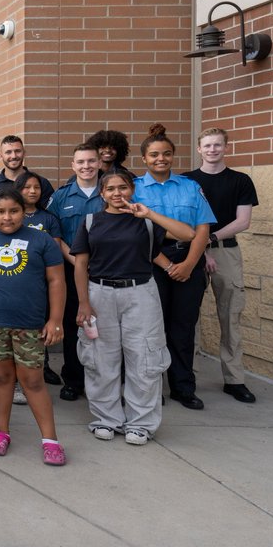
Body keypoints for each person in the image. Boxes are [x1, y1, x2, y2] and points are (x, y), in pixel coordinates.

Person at [72, 170, 196, 444]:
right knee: (101, 358)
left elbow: (187, 234)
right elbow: (81, 264)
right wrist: (83, 303)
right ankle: (107, 418)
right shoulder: (91, 221)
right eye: (111, 189)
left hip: (140, 293)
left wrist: (149, 214)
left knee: (145, 358)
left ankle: (141, 422)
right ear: (102, 194)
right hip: (100, 293)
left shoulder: (146, 221)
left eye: (123, 188)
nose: (118, 193)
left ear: (132, 190)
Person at [0, 189, 67, 466]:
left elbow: (56, 280)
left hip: (30, 324)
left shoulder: (41, 240)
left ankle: (50, 440)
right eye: (0, 212)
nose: (6, 217)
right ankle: (0, 431)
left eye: (13, 211)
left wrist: (55, 319)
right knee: (1, 377)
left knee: (33, 380)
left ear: (24, 212)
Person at [133, 123, 216, 410]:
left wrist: (190, 264)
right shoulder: (134, 189)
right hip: (152, 262)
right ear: (144, 158)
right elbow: (137, 234)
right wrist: (169, 265)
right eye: (154, 154)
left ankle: (183, 386)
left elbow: (202, 229)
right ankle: (153, 388)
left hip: (189, 260)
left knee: (183, 328)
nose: (161, 159)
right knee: (152, 329)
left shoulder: (190, 187)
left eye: (166, 154)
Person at [185, 127, 259, 404]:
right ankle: (187, 377)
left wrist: (210, 239)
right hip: (191, 250)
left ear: (226, 147)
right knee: (189, 316)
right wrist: (201, 250)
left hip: (226, 251)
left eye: (217, 145)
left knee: (231, 317)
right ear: (199, 149)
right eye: (207, 145)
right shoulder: (188, 181)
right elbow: (185, 219)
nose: (212, 150)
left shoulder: (240, 181)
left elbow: (243, 221)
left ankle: (234, 379)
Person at [45, 144, 104, 398]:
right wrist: (76, 261)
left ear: (99, 163)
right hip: (70, 268)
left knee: (107, 328)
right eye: (80, 162)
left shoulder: (111, 190)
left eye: (91, 161)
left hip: (107, 270)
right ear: (73, 166)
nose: (86, 166)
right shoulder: (61, 197)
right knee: (73, 325)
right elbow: (53, 234)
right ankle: (74, 380)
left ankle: (104, 382)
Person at [0, 135, 55, 230]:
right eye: (8, 152)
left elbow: (53, 219)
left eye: (17, 151)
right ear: (1, 156)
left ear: (24, 153)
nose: (14, 156)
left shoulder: (40, 183)